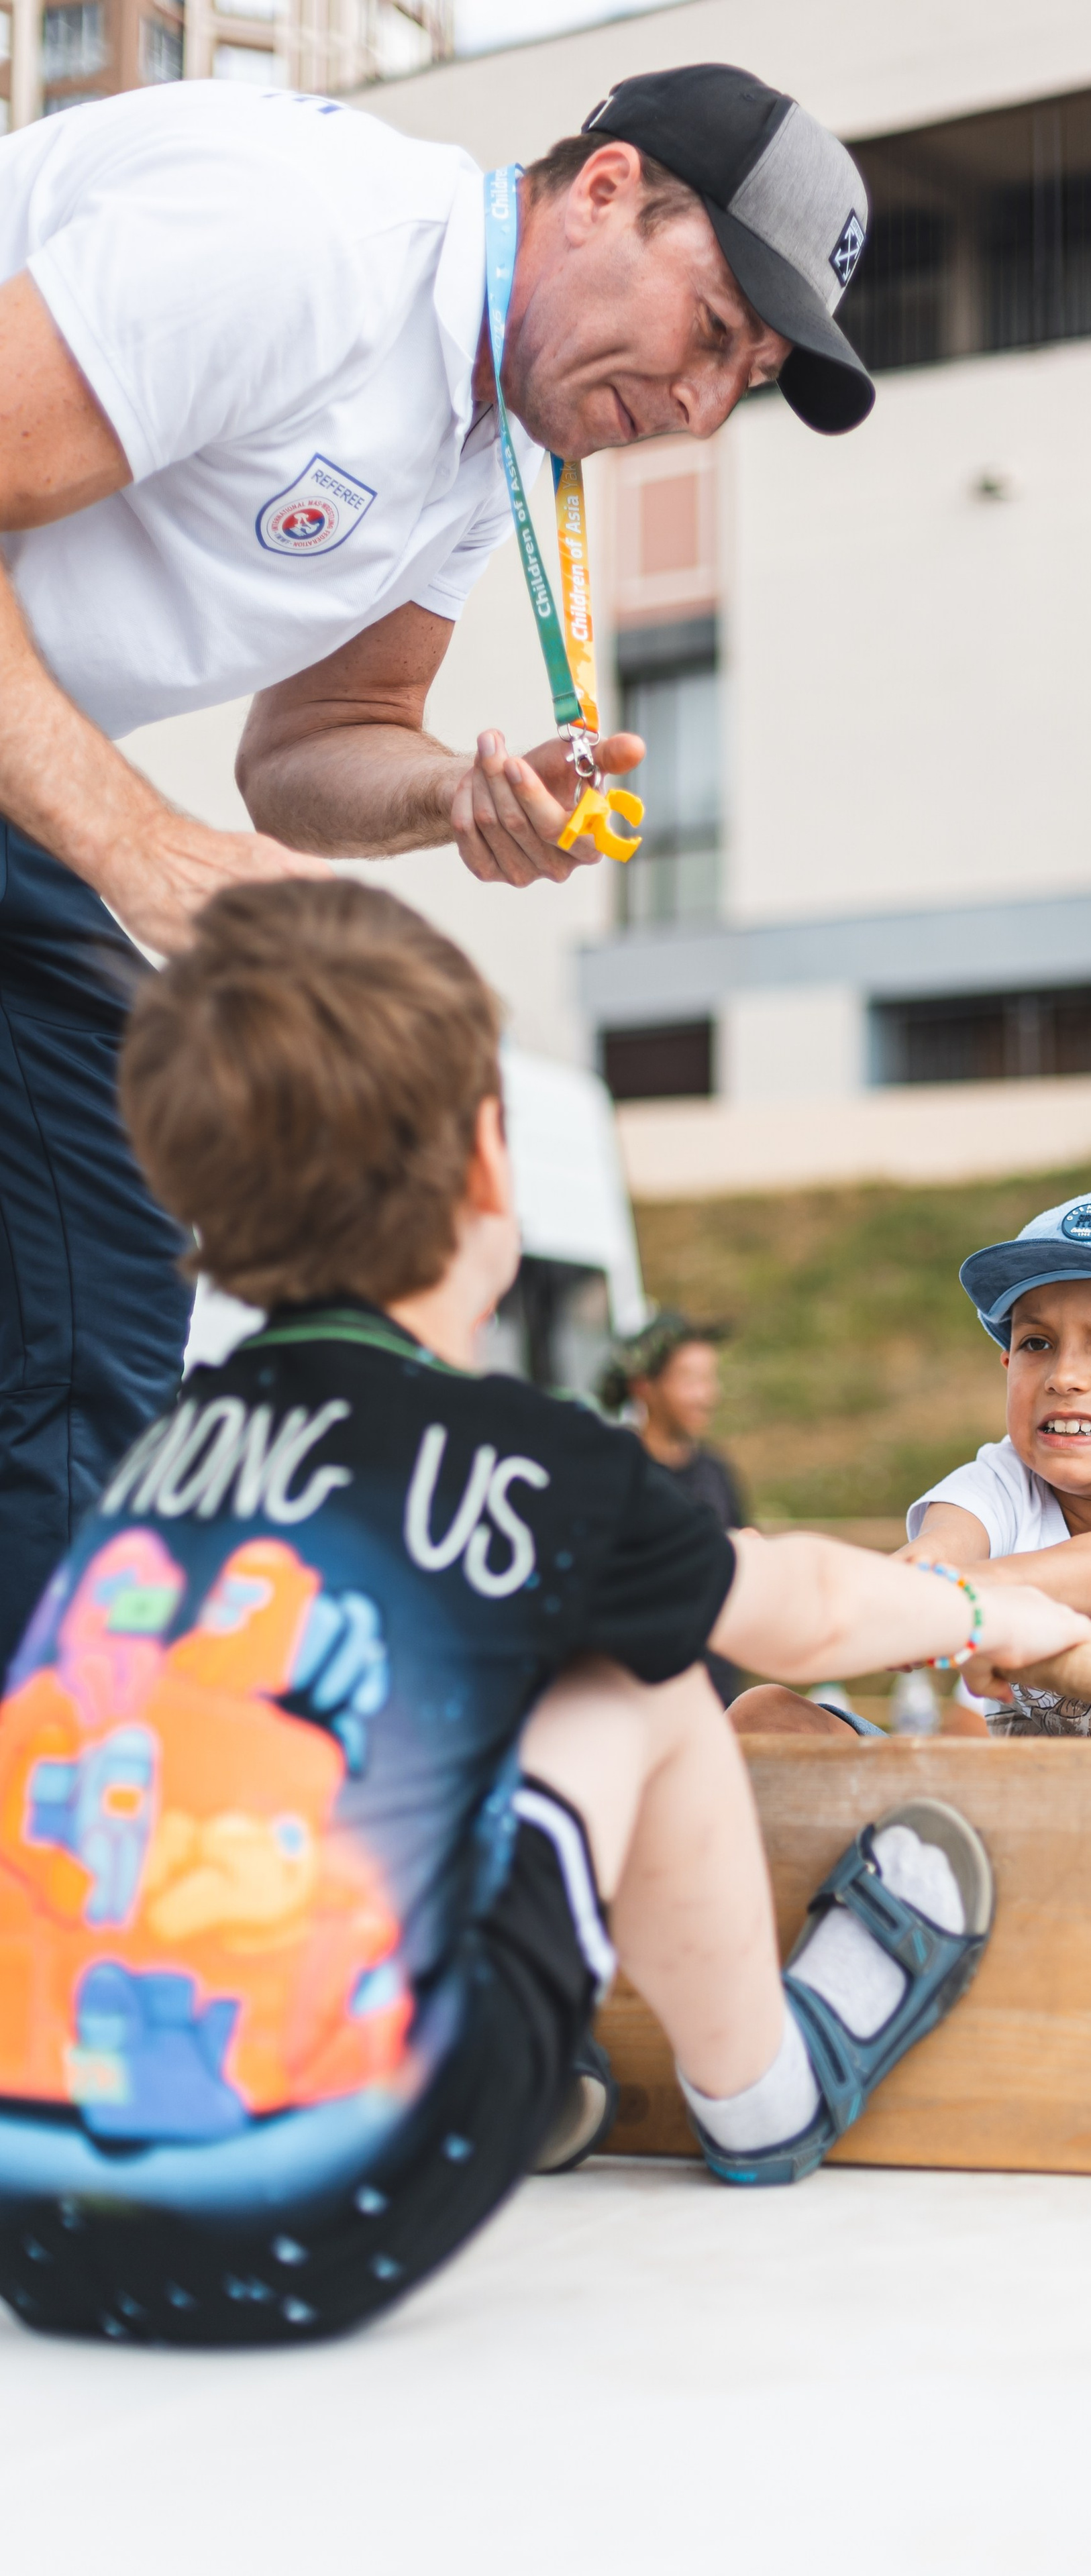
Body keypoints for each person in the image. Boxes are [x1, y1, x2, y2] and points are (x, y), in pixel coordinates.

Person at [0, 879, 1088, 2348]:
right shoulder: (524, 1469)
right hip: (323, 2209)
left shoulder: (149, 1470)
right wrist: (983, 1609)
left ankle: (549, 2047)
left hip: (35, 2229)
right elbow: (806, 1610)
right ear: (484, 1163)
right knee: (640, 1676)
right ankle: (767, 2087)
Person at [0, 61, 878, 1671]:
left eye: (742, 379)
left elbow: (312, 742)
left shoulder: (494, 445)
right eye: (707, 332)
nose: (696, 409)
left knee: (100, 1247)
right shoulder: (311, 244)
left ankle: (58, 1750)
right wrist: (135, 838)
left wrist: (460, 797)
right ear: (603, 191)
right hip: (36, 793)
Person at [736, 1187, 1091, 1743]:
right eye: (1037, 1343)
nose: (1064, 1376)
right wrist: (866, 1592)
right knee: (765, 1715)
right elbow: (940, 1552)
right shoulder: (1000, 1479)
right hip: (1026, 1800)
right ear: (1007, 1363)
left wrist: (957, 1601)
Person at [601, 1313, 749, 1703]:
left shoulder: (717, 1474)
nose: (707, 1396)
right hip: (630, 1696)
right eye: (690, 1380)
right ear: (644, 1386)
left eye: (710, 1379)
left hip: (715, 1697)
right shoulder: (611, 1468)